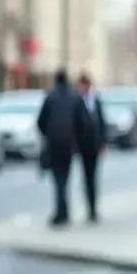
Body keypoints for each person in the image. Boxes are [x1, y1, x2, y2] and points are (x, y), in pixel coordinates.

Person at [36, 69, 84, 226]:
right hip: (69, 144)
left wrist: (48, 135)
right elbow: (82, 121)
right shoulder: (75, 97)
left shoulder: (50, 97)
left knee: (58, 179)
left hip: (54, 144)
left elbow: (41, 121)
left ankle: (61, 213)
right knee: (65, 178)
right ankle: (63, 212)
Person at [75, 72, 107, 222]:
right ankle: (90, 208)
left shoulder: (96, 100)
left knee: (93, 178)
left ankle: (93, 209)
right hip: (83, 147)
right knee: (87, 178)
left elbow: (102, 123)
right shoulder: (78, 101)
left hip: (95, 146)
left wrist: (103, 144)